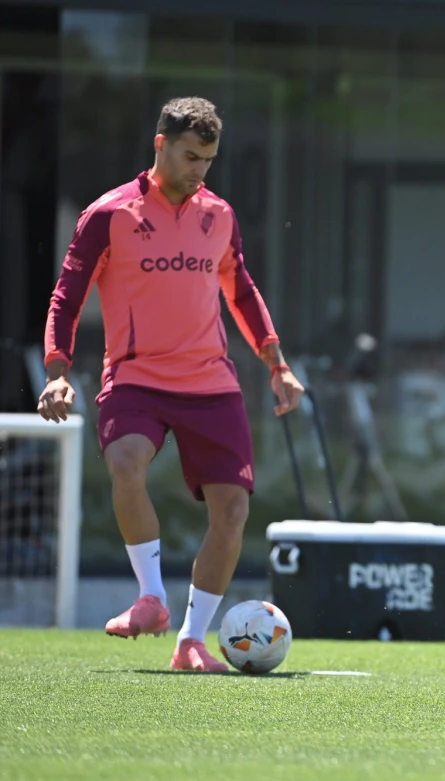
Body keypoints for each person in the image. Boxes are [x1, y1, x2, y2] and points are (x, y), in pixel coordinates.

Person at [37, 97, 305, 672]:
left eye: (208, 159)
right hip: (135, 377)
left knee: (232, 511)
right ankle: (151, 597)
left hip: (211, 382)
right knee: (126, 463)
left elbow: (242, 290)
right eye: (189, 156)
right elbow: (68, 294)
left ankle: (191, 640)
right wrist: (57, 372)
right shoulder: (108, 214)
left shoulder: (221, 214)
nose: (199, 170)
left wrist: (277, 363)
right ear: (160, 145)